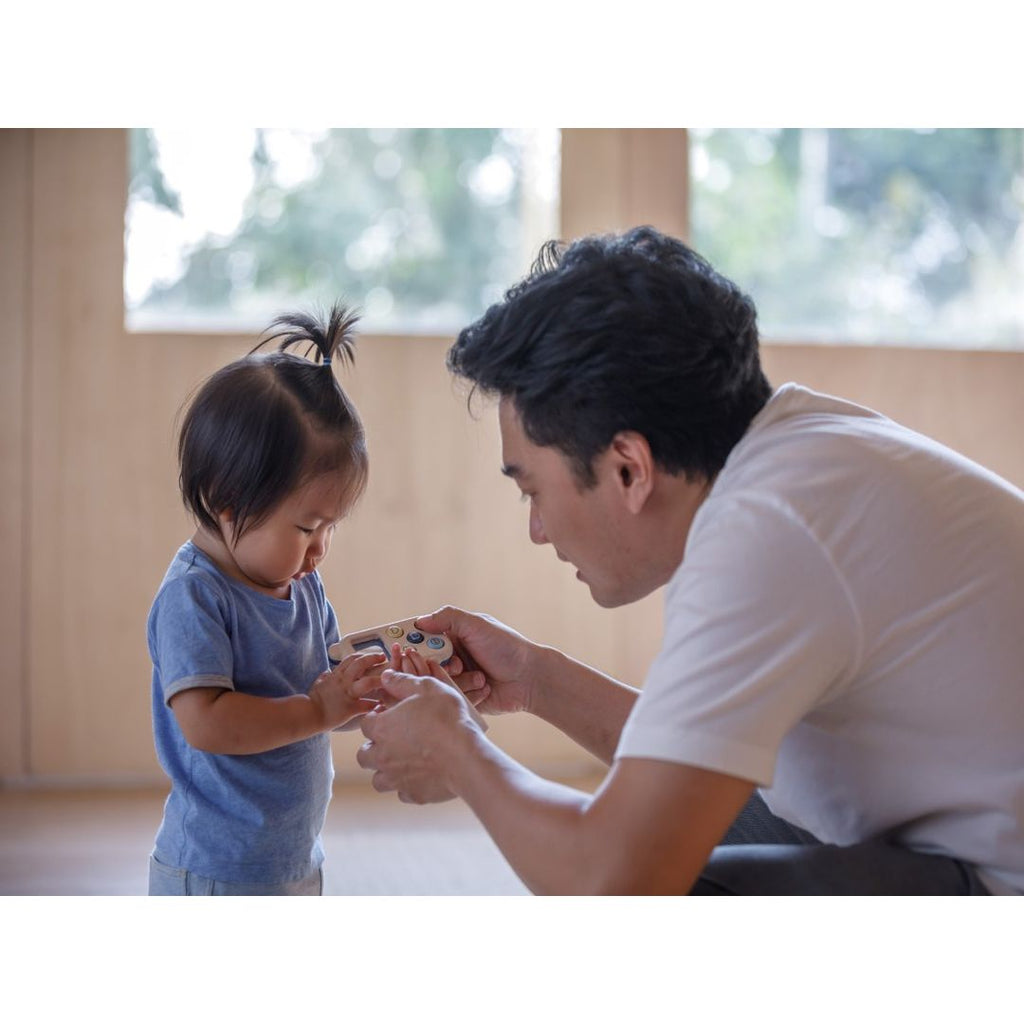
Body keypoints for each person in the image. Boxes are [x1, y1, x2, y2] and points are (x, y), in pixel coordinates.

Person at [357, 226, 1024, 896]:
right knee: (682, 826)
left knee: (663, 892)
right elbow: (683, 772)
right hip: (953, 852)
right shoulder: (800, 458)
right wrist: (533, 679)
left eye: (532, 488)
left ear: (628, 469)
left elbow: (614, 882)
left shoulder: (770, 533)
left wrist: (460, 753)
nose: (536, 529)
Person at [147, 304, 388, 896]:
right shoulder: (195, 595)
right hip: (214, 871)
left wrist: (367, 691)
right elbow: (205, 722)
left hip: (295, 857)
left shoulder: (302, 585)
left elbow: (323, 687)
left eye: (332, 527)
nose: (320, 549)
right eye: (307, 527)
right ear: (227, 502)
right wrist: (318, 710)